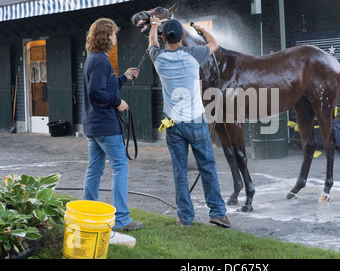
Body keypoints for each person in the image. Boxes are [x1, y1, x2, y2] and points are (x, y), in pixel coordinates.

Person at [148, 16, 230, 228]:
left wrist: (155, 25)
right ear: (183, 36)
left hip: (172, 126)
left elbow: (152, 44)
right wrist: (202, 29)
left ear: (164, 38)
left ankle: (185, 217)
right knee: (207, 168)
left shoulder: (158, 58)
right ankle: (218, 213)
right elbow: (214, 45)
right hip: (195, 122)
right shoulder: (194, 55)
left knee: (180, 171)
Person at [82, 18, 144, 231]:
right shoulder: (101, 60)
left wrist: (124, 77)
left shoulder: (93, 58)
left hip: (93, 125)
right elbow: (96, 92)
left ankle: (87, 213)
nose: (116, 37)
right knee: (120, 166)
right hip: (106, 126)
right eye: (114, 34)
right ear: (107, 36)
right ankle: (122, 219)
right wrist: (118, 102)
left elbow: (104, 86)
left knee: (95, 169)